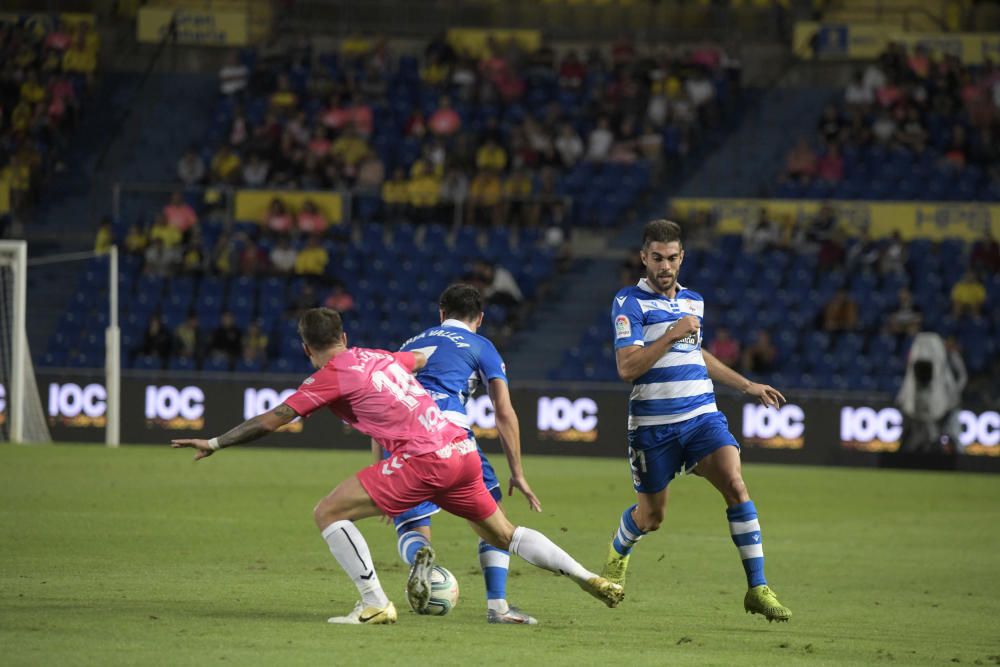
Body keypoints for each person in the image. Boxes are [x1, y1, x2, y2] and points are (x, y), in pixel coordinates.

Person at [171, 308, 623, 625]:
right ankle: (586, 575)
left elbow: (276, 418)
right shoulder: (377, 356)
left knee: (328, 512)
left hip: (422, 461)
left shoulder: (329, 375)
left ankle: (372, 604)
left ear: (307, 347)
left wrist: (215, 441)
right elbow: (422, 359)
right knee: (505, 534)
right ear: (344, 337)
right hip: (460, 450)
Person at [602, 219, 791, 622]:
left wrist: (746, 385)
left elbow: (696, 355)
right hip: (653, 428)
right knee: (651, 518)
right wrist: (670, 334)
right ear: (643, 258)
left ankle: (757, 587)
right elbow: (627, 367)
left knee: (736, 484)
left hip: (701, 417)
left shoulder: (694, 302)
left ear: (682, 257)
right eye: (657, 258)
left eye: (672, 258)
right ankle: (618, 552)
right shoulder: (628, 303)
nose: (665, 266)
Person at [384, 284, 542, 625]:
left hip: (399, 437)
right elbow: (503, 411)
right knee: (493, 519)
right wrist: (517, 471)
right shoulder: (481, 345)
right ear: (480, 318)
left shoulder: (409, 345)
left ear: (441, 314)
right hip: (447, 436)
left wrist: (380, 471)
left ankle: (419, 558)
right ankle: (498, 606)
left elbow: (384, 405)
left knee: (411, 521)